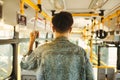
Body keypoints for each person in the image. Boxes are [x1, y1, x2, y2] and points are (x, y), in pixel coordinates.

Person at [21, 11, 94, 80]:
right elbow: (90, 77)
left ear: (53, 28)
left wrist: (31, 43)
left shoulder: (42, 50)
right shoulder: (81, 52)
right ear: (70, 29)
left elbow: (25, 65)